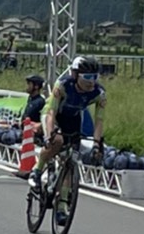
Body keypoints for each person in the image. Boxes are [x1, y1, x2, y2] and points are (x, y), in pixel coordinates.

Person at [28, 55, 106, 194]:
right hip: (54, 114)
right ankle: (37, 170)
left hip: (73, 118)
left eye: (95, 77)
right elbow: (51, 111)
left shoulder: (99, 93)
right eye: (87, 77)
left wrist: (96, 144)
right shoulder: (63, 85)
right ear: (76, 76)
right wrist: (49, 135)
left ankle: (63, 203)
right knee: (57, 141)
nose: (92, 82)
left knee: (71, 158)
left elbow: (99, 121)